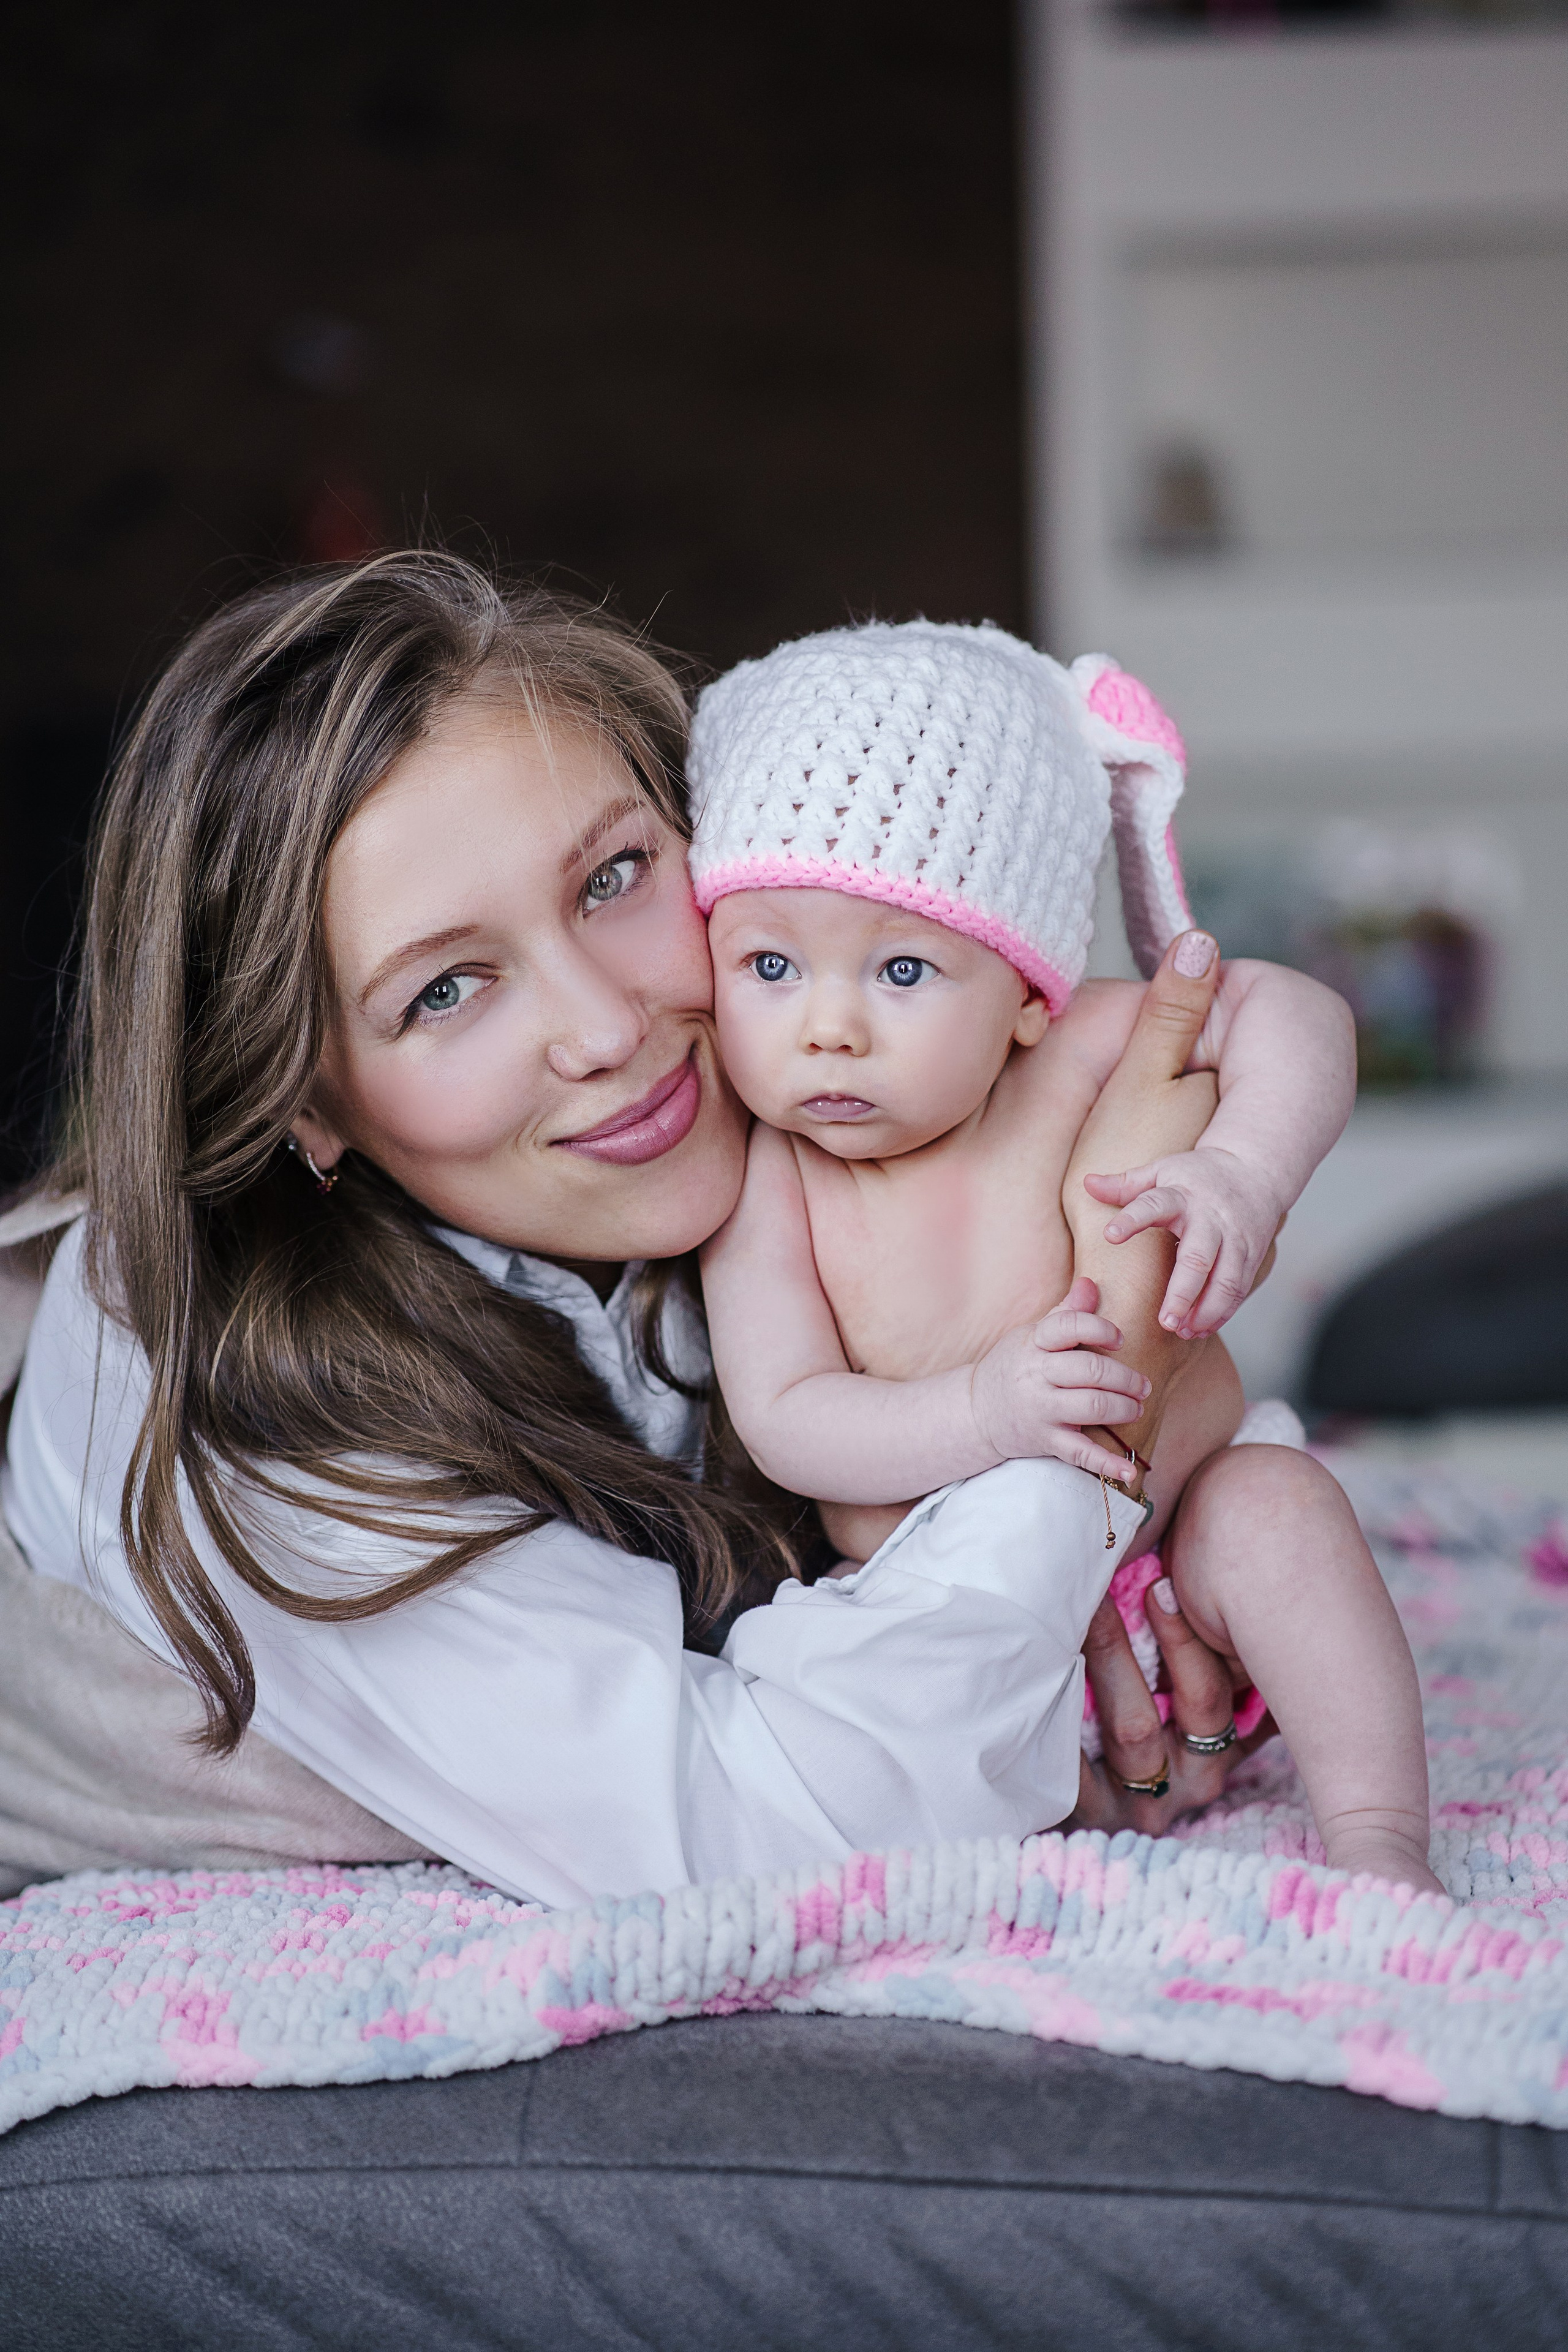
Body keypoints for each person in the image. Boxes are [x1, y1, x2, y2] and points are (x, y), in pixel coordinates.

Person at [0, 556, 1305, 1911]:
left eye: (614, 875)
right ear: (300, 1101)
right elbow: (774, 1821)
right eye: (445, 990)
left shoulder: (776, 1105)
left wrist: (1077, 1615)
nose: (610, 1030)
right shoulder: (212, 1396)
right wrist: (1085, 1439)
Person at [694, 621, 1441, 1896]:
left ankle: (1377, 1838)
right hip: (947, 1617)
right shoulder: (767, 1173)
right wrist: (985, 1410)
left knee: (1281, 1513)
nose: (826, 1028)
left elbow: (1292, 1009)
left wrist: (1242, 1172)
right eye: (768, 964)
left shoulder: (1079, 1051)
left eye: (901, 968)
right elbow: (786, 1418)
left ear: (1026, 994)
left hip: (1178, 1557)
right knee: (823, 1687)